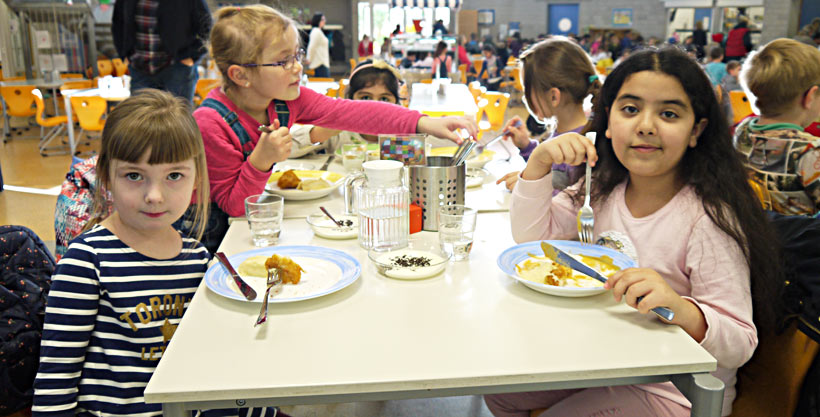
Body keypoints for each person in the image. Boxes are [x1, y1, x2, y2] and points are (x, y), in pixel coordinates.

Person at [485, 46, 781, 417]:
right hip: (607, 359)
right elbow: (531, 240)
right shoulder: (600, 189)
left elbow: (740, 341)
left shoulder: (708, 218)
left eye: (669, 114)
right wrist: (540, 161)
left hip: (675, 390)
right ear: (607, 121)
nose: (645, 125)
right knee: (502, 395)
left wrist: (680, 308)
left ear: (696, 131)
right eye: (629, 109)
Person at [31, 89, 277, 417]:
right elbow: (55, 382)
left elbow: (214, 352)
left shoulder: (198, 258)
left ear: (196, 178)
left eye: (174, 176)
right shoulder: (87, 262)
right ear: (106, 176)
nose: (154, 196)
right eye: (134, 176)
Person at [196, 5, 477, 251]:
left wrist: (424, 122)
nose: (298, 68)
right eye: (283, 61)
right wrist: (261, 160)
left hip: (250, 232)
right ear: (240, 75)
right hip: (214, 240)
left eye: (298, 55)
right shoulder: (211, 123)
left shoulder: (285, 100)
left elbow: (359, 114)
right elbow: (234, 207)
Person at [495, 37, 602, 192]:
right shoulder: (564, 133)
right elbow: (548, 165)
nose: (525, 98)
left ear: (553, 97)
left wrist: (528, 184)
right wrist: (526, 145)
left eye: (527, 91)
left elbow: (569, 204)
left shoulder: (580, 147)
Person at [733, 38, 820, 217]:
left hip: (753, 232)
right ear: (810, 96)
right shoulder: (810, 150)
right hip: (800, 241)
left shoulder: (743, 131)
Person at [293, 60, 406, 154]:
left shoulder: (402, 131)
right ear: (350, 99)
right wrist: (321, 132)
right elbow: (290, 149)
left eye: (384, 99)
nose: (375, 106)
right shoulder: (340, 132)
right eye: (365, 98)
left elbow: (417, 158)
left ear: (396, 102)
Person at [111, 0, 211, 103]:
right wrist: (124, 53)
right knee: (141, 117)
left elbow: (207, 25)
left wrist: (193, 56)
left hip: (177, 69)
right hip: (139, 68)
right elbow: (118, 22)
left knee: (178, 117)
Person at [306, 12, 330, 77]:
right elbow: (311, 46)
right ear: (318, 20)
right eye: (322, 19)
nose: (324, 21)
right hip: (319, 64)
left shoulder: (319, 31)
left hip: (322, 63)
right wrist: (309, 59)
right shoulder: (316, 31)